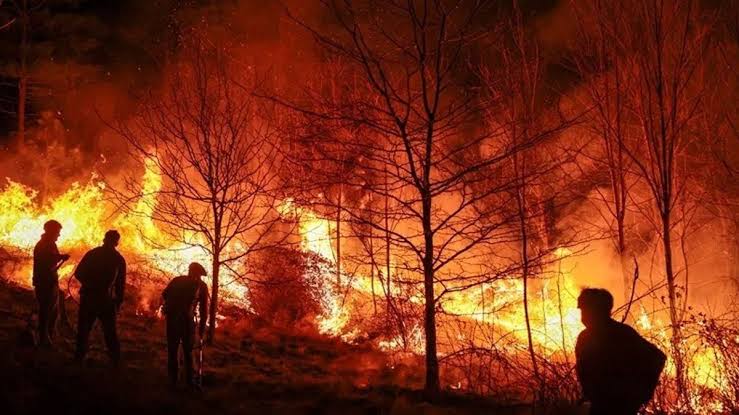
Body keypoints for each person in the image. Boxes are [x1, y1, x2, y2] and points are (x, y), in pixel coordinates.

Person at [575, 288, 666, 415]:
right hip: (599, 403)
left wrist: (642, 394)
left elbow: (657, 357)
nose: (583, 316)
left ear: (598, 311)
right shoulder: (585, 338)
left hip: (620, 405)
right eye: (582, 310)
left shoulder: (622, 334)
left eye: (586, 310)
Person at [73, 230, 126, 365]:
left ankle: (79, 357)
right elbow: (120, 285)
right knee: (109, 331)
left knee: (84, 329)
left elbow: (78, 273)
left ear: (104, 239)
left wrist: (88, 284)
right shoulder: (118, 259)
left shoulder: (93, 254)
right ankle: (115, 361)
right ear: (116, 242)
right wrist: (118, 301)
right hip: (105, 300)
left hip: (90, 297)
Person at [162, 262, 209, 389]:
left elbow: (165, 294)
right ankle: (189, 381)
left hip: (172, 319)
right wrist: (202, 328)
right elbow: (204, 310)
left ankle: (173, 380)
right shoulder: (202, 286)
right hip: (187, 322)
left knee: (173, 350)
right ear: (199, 274)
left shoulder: (177, 280)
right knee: (188, 351)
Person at [32, 219, 70, 347]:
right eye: (57, 232)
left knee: (52, 311)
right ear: (50, 231)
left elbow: (51, 259)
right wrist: (61, 257)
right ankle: (43, 338)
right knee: (45, 310)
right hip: (44, 282)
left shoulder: (50, 244)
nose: (59, 235)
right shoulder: (43, 244)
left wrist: (59, 257)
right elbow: (47, 259)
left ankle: (49, 335)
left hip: (50, 281)